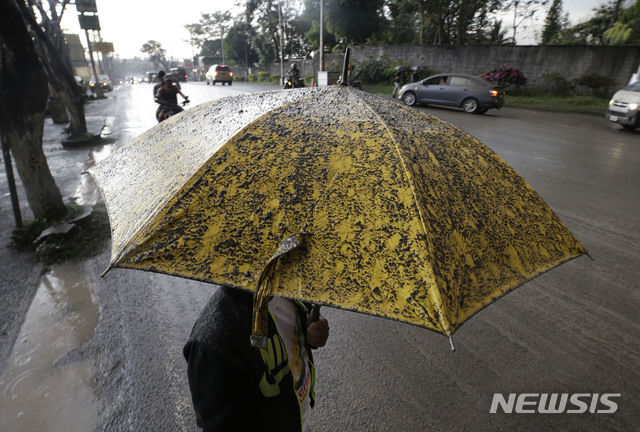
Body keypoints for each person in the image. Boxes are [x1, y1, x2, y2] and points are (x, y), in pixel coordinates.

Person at [183, 287, 330, 432]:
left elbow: (297, 328)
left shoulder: (286, 284)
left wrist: (313, 332)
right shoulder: (214, 344)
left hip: (298, 420)